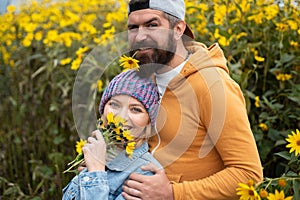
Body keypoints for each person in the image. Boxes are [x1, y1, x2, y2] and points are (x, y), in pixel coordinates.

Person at [121, 0, 264, 199]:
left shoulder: (213, 86)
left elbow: (249, 175)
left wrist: (173, 193)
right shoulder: (139, 81)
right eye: (133, 28)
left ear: (178, 29)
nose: (140, 36)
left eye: (152, 25)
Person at [62, 69, 162, 199]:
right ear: (102, 110)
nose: (122, 116)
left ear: (149, 122)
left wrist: (96, 172)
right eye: (114, 104)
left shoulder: (145, 176)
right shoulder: (98, 156)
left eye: (136, 109)